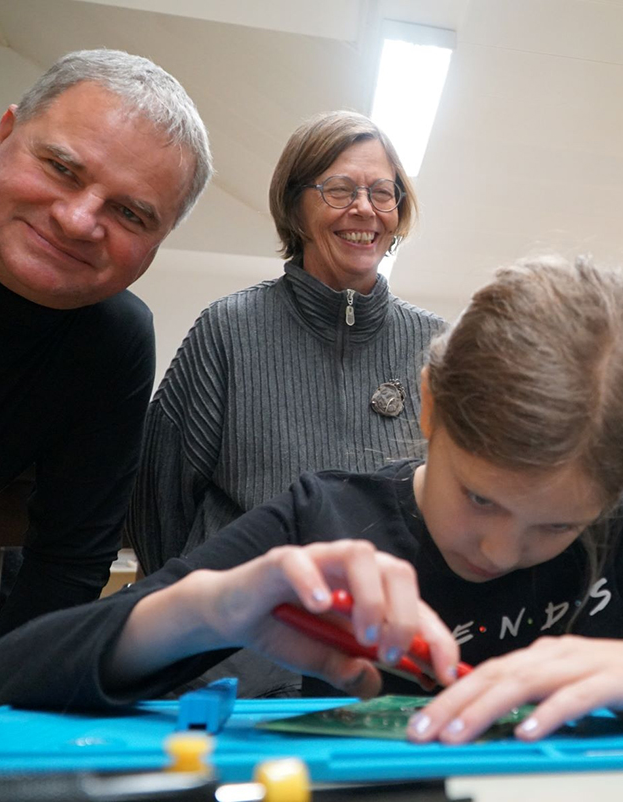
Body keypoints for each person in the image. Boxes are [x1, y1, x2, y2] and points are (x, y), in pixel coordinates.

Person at [0, 259, 623, 741]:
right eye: (480, 496)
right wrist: (208, 606)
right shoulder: (319, 519)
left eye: (557, 523)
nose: (503, 549)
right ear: (431, 403)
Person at [123, 111, 441, 696]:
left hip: (384, 679)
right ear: (295, 208)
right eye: (340, 189)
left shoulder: (436, 349)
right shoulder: (229, 329)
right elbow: (159, 506)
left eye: (382, 192)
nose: (364, 209)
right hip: (234, 674)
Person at [0, 49, 212, 639]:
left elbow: (66, 565)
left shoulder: (112, 343)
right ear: (3, 134)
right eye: (62, 167)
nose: (79, 219)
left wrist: (4, 718)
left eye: (131, 214)